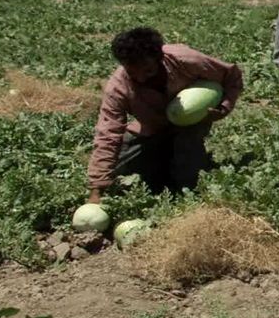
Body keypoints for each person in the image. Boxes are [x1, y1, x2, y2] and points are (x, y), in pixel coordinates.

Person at [86, 27, 243, 204]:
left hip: (191, 123)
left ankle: (185, 159)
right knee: (120, 172)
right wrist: (97, 188)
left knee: (188, 183)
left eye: (148, 71)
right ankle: (165, 154)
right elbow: (108, 134)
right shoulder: (118, 88)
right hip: (152, 127)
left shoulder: (187, 60)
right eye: (132, 72)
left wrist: (224, 107)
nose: (141, 78)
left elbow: (231, 76)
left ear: (159, 59)